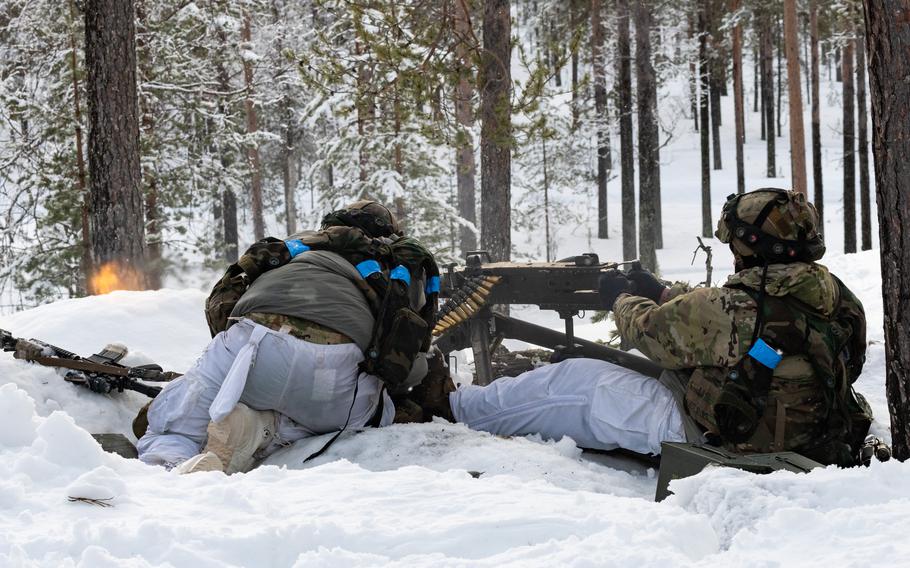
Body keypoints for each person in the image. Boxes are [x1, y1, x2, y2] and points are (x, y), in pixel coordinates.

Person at [451, 189, 872, 466]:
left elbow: (649, 332)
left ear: (751, 249)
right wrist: (664, 291)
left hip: (731, 434)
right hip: (816, 426)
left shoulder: (731, 310)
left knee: (578, 381)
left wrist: (619, 296)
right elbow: (730, 316)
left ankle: (459, 409)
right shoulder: (834, 293)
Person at [137, 200, 441, 473]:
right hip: (333, 364)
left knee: (174, 429)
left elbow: (224, 305)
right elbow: (401, 364)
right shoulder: (394, 267)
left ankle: (170, 473)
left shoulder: (296, 245)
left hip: (249, 341)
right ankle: (265, 431)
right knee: (357, 420)